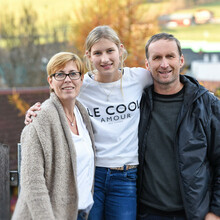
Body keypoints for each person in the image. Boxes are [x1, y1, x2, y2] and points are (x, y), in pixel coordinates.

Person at [24, 25, 153, 220]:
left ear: (120, 49)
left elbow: (169, 80)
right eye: (97, 53)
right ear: (88, 56)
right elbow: (57, 100)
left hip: (126, 176)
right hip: (92, 176)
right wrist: (34, 111)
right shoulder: (82, 84)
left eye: (110, 50)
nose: (105, 59)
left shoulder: (139, 78)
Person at [137, 33, 220, 220]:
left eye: (170, 56)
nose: (164, 64)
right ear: (147, 64)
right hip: (146, 214)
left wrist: (215, 212)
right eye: (157, 58)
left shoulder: (207, 105)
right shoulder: (137, 105)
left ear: (181, 60)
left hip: (193, 214)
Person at [12, 52, 95, 220]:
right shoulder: (41, 119)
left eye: (73, 73)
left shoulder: (82, 113)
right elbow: (32, 183)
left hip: (81, 213)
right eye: (60, 74)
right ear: (50, 81)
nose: (67, 79)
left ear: (81, 78)